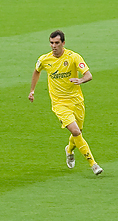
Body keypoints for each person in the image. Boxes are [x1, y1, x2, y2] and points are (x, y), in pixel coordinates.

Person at [28, 30, 103, 175]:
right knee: (75, 131)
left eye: (57, 43)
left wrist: (80, 80)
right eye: (51, 43)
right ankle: (93, 164)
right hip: (59, 104)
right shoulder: (44, 59)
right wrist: (32, 90)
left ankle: (69, 149)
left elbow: (88, 75)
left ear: (63, 43)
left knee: (78, 133)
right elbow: (37, 71)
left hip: (76, 101)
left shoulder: (73, 57)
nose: (53, 46)